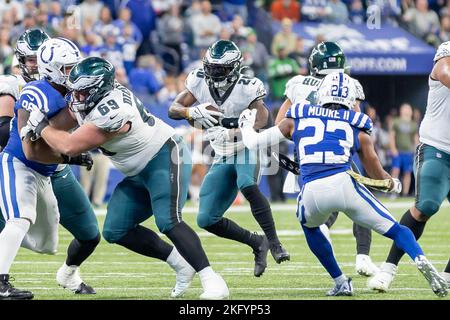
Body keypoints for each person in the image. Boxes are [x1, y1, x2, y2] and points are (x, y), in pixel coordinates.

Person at [22, 56, 229, 300]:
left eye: (82, 92)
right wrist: (36, 127)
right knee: (115, 230)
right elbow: (63, 121)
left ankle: (213, 281)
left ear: (98, 89)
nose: (76, 98)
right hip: (136, 172)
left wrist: (41, 126)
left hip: (164, 155)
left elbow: (68, 146)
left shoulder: (113, 111)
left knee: (168, 220)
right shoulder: (90, 97)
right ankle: (181, 264)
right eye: (75, 91)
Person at [238, 72, 448, 298]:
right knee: (398, 230)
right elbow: (374, 168)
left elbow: (254, 142)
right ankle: (421, 260)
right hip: (345, 185)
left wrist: (245, 126)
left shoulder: (297, 116)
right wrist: (390, 183)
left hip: (311, 190)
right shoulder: (357, 124)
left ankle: (340, 281)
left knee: (310, 228)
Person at [168, 40, 290, 278]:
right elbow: (173, 109)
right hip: (221, 153)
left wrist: (241, 128)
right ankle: (257, 242)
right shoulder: (198, 80)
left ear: (234, 67)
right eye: (211, 66)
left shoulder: (248, 85)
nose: (213, 72)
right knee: (206, 219)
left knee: (247, 184)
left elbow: (263, 115)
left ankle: (275, 243)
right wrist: (189, 112)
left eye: (219, 68)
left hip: (244, 145)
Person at [0, 32, 100, 299]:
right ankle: (1, 282)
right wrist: (71, 154)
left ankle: (69, 273)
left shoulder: (72, 90)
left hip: (50, 170)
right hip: (20, 162)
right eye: (67, 68)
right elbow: (29, 150)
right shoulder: (34, 92)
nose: (73, 72)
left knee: (48, 242)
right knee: (19, 219)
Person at [274, 41, 379, 277]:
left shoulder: (298, 83)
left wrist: (307, 140)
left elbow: (280, 125)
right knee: (360, 198)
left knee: (318, 206)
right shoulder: (349, 84)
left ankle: (324, 233)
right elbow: (356, 126)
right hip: (336, 152)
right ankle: (363, 255)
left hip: (306, 154)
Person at [368, 40, 450, 292]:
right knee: (425, 206)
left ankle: (447, 276)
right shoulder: (446, 52)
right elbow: (444, 72)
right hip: (437, 147)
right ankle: (388, 270)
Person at [388, 103, 418, 197]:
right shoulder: (396, 121)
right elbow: (392, 136)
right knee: (395, 171)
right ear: (401, 110)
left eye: (408, 109)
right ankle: (392, 192)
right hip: (398, 151)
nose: (407, 111)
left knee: (407, 173)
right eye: (405, 109)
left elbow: (415, 139)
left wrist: (416, 151)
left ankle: (405, 193)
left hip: (408, 152)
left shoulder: (413, 124)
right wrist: (393, 149)